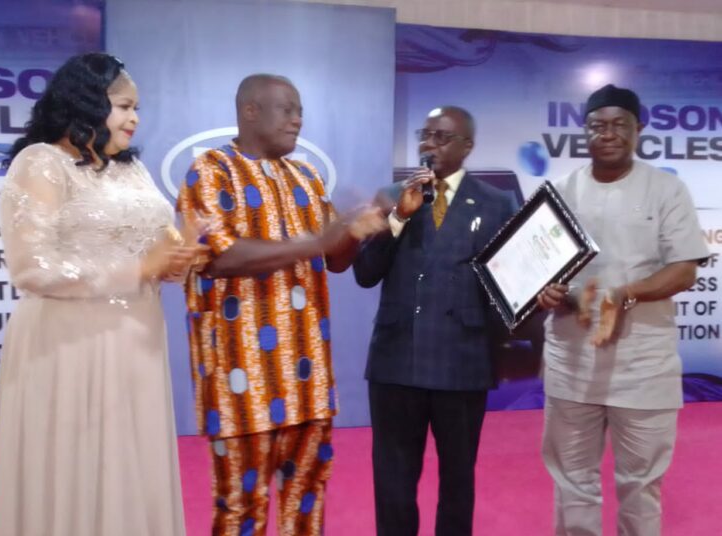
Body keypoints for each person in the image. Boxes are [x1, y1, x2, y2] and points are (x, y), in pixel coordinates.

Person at [0, 52, 204, 536]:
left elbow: (157, 247)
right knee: (73, 467)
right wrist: (138, 269)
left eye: (137, 109)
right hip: (68, 346)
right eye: (124, 106)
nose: (135, 119)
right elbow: (30, 267)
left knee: (131, 464)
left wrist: (179, 259)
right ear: (86, 102)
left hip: (136, 342)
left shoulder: (133, 171)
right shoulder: (41, 162)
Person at [176, 73, 386, 535]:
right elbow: (222, 256)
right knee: (240, 509)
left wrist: (363, 226)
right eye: (286, 109)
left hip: (308, 382)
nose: (298, 119)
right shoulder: (210, 171)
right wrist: (316, 240)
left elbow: (335, 260)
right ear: (250, 111)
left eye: (300, 110)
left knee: (307, 503)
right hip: (241, 384)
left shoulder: (307, 177)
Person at [537, 84, 709, 536]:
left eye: (619, 125)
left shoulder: (666, 189)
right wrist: (545, 291)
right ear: (585, 131)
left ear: (639, 129)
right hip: (571, 362)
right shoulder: (559, 192)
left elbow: (685, 270)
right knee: (572, 484)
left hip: (643, 364)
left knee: (641, 484)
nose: (607, 134)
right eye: (597, 125)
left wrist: (622, 296)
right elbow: (535, 271)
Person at [353, 106, 516, 536]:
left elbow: (512, 282)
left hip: (462, 363)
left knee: (458, 482)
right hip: (396, 362)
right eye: (425, 136)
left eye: (442, 137)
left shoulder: (498, 204)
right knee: (393, 483)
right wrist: (399, 218)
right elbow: (365, 273)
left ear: (467, 146)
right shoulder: (391, 195)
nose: (429, 145)